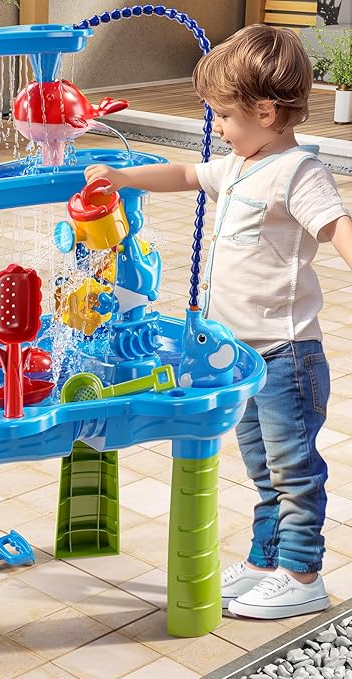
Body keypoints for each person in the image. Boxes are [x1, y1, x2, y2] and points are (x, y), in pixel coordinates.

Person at [85, 24, 352, 619]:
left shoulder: (297, 172)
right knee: (262, 467)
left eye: (225, 115)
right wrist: (123, 178)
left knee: (293, 470)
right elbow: (186, 175)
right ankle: (266, 561)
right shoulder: (238, 165)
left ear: (265, 112)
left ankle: (302, 573)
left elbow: (336, 226)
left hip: (286, 356)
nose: (220, 127)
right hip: (242, 355)